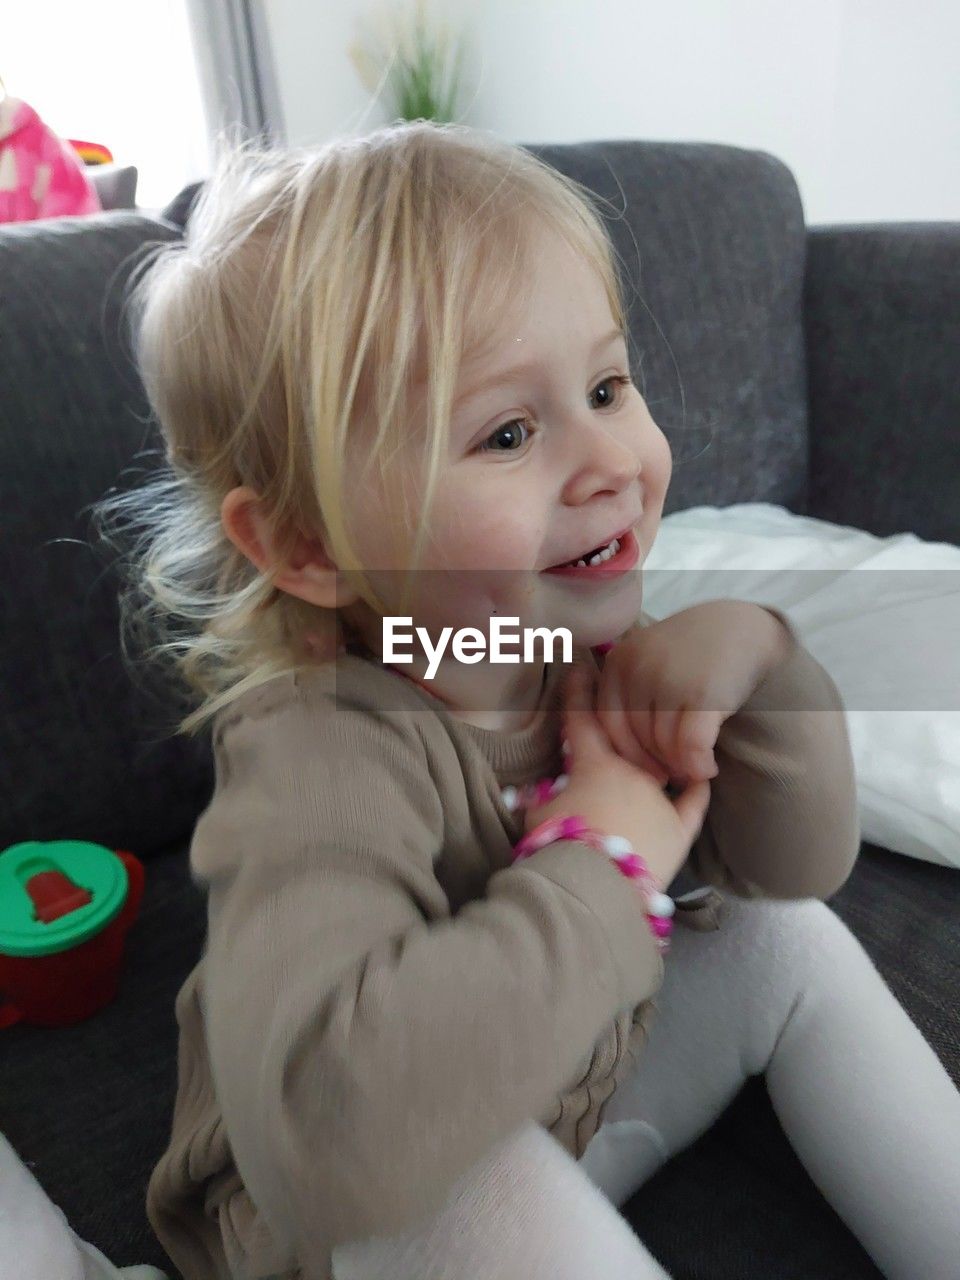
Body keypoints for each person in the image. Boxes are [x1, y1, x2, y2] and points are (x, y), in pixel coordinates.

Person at [88, 121, 960, 1280]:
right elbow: (335, 1149)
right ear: (306, 544)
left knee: (776, 936)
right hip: (349, 1222)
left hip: (566, 1102)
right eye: (509, 431)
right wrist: (603, 861)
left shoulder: (566, 637)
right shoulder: (319, 750)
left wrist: (763, 668)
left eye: (607, 384)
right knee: (472, 1171)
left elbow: (796, 863)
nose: (608, 459)